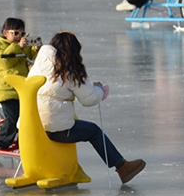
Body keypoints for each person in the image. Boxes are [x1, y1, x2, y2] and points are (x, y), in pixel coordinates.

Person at [27, 32, 145, 184]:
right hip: (55, 129)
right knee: (93, 131)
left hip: (32, 126)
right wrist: (99, 90)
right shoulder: (68, 71)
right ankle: (122, 167)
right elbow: (89, 99)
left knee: (68, 120)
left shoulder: (38, 64)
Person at [0, 17, 40, 150]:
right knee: (13, 119)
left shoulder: (19, 45)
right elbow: (5, 62)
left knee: (25, 117)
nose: (19, 36)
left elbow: (27, 54)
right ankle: (0, 141)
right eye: (16, 33)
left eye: (22, 33)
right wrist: (18, 46)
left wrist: (35, 49)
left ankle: (24, 141)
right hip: (6, 89)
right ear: (5, 33)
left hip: (20, 88)